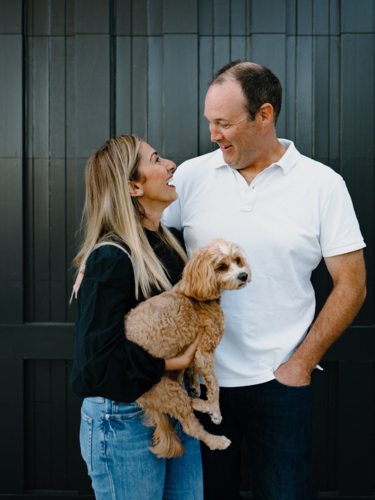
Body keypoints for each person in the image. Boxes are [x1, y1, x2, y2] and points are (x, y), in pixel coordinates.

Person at [162, 61, 367, 499]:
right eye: (209, 122)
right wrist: (99, 253)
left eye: (224, 123)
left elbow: (351, 284)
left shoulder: (321, 185)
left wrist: (299, 365)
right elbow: (134, 224)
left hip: (280, 385)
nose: (213, 134)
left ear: (264, 114)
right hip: (200, 383)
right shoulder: (193, 176)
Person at [70, 135, 203, 500]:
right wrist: (168, 362)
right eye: (157, 159)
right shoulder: (110, 258)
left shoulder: (170, 242)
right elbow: (97, 366)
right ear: (133, 186)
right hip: (123, 418)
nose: (171, 165)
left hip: (174, 406)